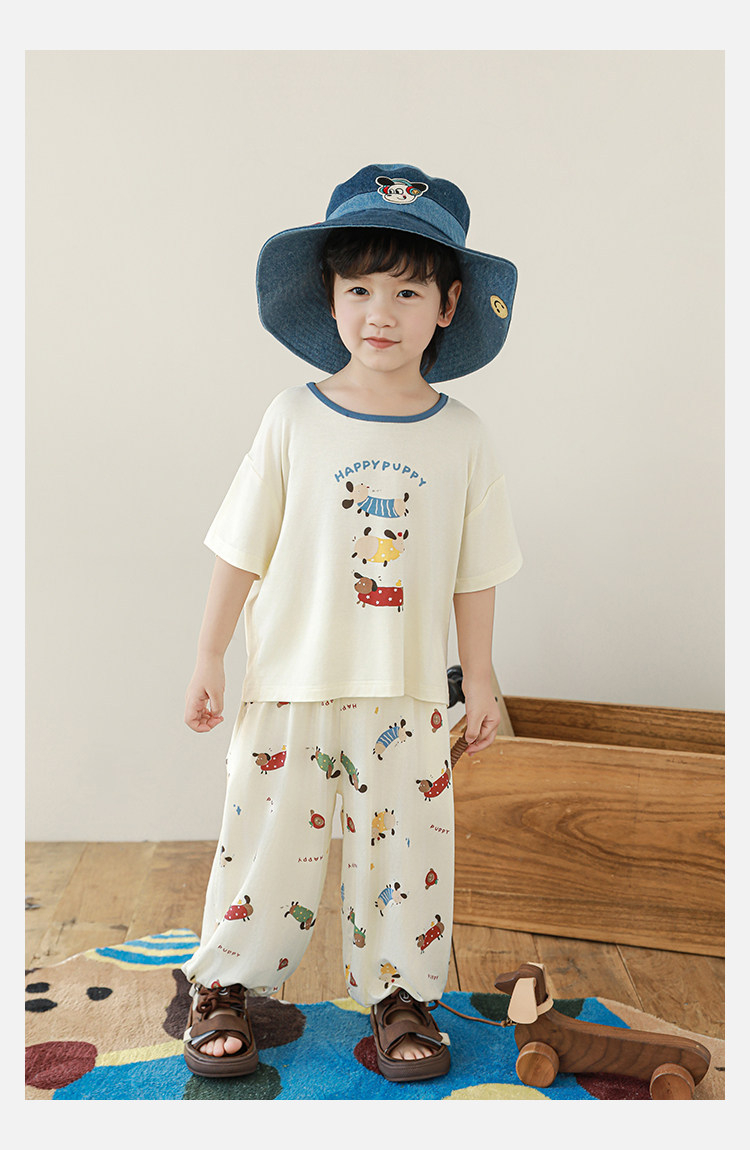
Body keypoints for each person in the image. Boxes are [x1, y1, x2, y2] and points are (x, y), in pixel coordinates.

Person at [181, 164, 523, 1083]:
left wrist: (481, 678)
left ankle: (403, 997)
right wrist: (209, 653)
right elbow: (241, 546)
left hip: (405, 694)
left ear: (448, 305)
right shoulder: (293, 417)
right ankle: (225, 988)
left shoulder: (463, 436)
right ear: (330, 296)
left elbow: (477, 572)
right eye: (361, 288)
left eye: (408, 292)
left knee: (408, 855)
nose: (382, 312)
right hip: (290, 684)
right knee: (264, 848)